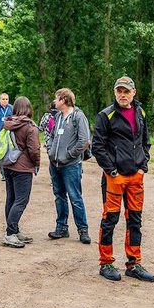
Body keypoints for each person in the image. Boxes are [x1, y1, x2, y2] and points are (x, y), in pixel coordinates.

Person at [92, 76, 154, 283]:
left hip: (136, 176)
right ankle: (106, 262)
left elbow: (145, 141)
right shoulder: (106, 115)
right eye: (119, 91)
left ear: (133, 92)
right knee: (110, 219)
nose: (122, 95)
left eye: (126, 91)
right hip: (114, 177)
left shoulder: (140, 112)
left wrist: (143, 166)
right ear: (115, 92)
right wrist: (111, 171)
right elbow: (98, 147)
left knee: (135, 220)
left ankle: (134, 263)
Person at [45, 88, 91, 244]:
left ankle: (82, 230)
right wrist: (51, 151)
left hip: (71, 165)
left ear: (64, 100)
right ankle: (61, 227)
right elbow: (51, 136)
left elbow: (84, 141)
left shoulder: (78, 117)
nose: (54, 101)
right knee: (59, 196)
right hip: (55, 164)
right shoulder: (58, 116)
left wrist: (69, 155)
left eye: (56, 98)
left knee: (75, 197)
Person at [0, 96, 40, 248]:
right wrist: (36, 164)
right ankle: (10, 233)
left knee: (11, 198)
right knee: (21, 200)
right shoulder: (30, 127)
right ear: (29, 108)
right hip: (23, 168)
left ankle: (14, 231)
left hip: (8, 164)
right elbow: (34, 150)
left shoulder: (8, 123)